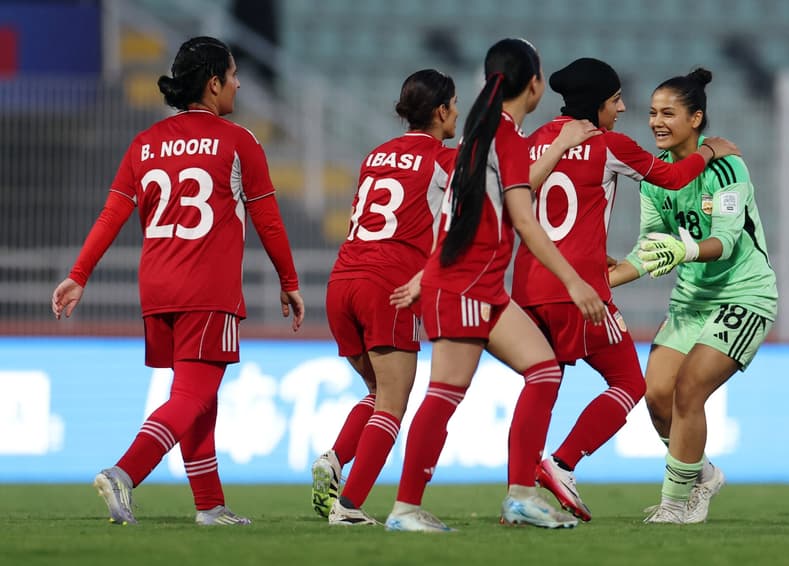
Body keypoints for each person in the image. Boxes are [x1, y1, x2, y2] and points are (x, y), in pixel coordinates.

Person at [51, 36, 304, 526]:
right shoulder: (239, 142)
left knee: (195, 396)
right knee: (191, 396)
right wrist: (288, 279)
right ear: (213, 84)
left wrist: (78, 274)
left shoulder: (144, 143)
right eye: (232, 75)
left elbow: (111, 215)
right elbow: (269, 221)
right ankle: (124, 472)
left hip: (157, 290)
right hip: (207, 289)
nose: (238, 83)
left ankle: (209, 505)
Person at [383, 38, 604, 533]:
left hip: (472, 284)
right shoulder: (498, 137)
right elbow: (524, 221)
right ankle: (404, 509)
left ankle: (520, 496)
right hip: (466, 285)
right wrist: (574, 281)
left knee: (543, 371)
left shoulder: (482, 137)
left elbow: (455, 214)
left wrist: (424, 276)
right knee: (444, 393)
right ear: (534, 84)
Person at [512, 58, 740, 522]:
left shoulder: (534, 142)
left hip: (529, 286)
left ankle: (518, 496)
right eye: (615, 99)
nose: (622, 108)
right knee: (628, 382)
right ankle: (562, 462)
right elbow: (674, 177)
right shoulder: (607, 144)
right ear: (596, 104)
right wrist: (711, 151)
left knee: (541, 383)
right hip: (579, 289)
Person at [608, 68, 777, 524]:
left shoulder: (727, 167)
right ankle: (702, 475)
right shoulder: (653, 179)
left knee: (688, 391)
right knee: (657, 396)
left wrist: (683, 249)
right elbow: (651, 248)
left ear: (696, 118)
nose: (656, 122)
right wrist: (606, 281)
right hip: (691, 301)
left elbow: (724, 241)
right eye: (651, 113)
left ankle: (676, 505)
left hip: (743, 294)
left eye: (668, 113)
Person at [310, 69, 459, 526]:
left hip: (341, 282)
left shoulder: (375, 155)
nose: (457, 113)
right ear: (440, 111)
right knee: (393, 402)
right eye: (453, 105)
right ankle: (349, 507)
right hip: (388, 286)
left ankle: (335, 459)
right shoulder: (444, 159)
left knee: (377, 392)